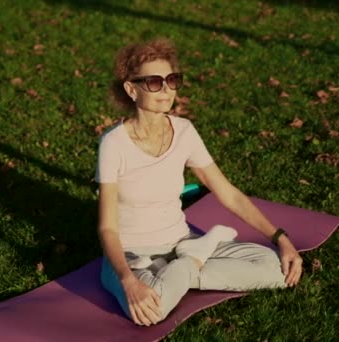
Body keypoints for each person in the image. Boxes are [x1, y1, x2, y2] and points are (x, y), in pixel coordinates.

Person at [95, 38, 303, 327]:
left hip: (182, 241)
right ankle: (191, 264)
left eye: (172, 80)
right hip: (134, 256)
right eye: (154, 82)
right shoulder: (114, 144)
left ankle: (186, 266)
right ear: (132, 89)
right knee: (150, 311)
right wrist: (128, 281)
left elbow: (229, 194)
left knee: (275, 268)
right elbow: (107, 226)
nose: (166, 90)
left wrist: (281, 239)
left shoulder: (184, 131)